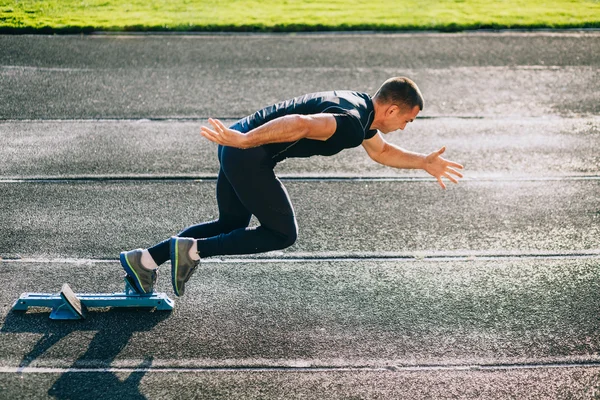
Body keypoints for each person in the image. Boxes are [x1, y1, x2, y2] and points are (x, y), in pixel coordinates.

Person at [120, 77, 464, 297]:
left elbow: (382, 152)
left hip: (238, 147)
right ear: (391, 109)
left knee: (230, 225)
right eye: (408, 119)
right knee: (281, 233)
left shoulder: (358, 108)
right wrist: (244, 141)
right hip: (245, 151)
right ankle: (193, 251)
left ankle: (145, 260)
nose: (406, 127)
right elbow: (299, 123)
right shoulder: (349, 125)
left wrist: (423, 161)